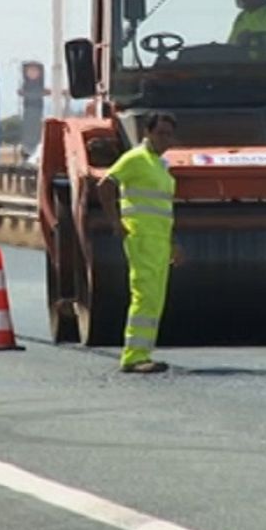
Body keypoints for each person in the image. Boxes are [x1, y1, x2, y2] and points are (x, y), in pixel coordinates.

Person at [97, 112, 181, 374]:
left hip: (159, 240)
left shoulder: (160, 164)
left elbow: (163, 209)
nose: (165, 138)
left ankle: (143, 352)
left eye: (169, 134)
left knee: (155, 298)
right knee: (144, 295)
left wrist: (172, 243)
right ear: (147, 133)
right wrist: (115, 222)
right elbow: (105, 185)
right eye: (161, 133)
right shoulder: (135, 158)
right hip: (141, 237)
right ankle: (133, 357)